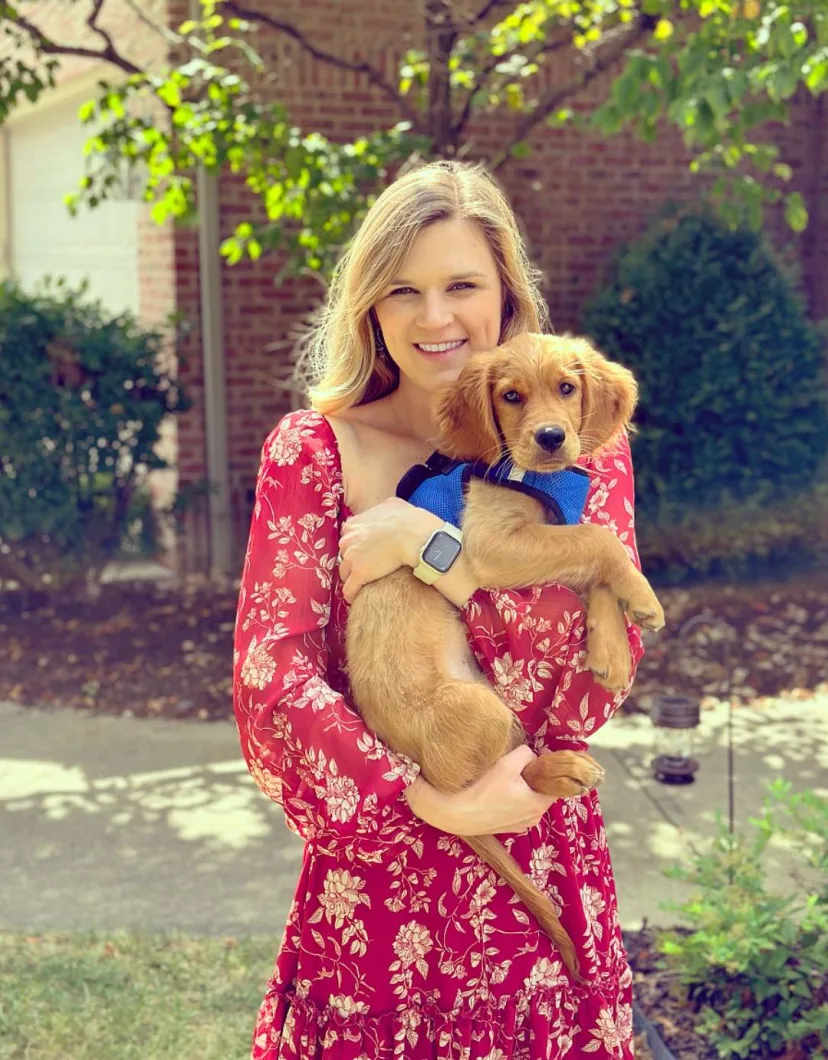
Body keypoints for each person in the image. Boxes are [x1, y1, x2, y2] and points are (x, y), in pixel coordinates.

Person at [233, 160, 645, 1060]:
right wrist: (423, 803)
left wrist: (432, 550)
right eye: (403, 291)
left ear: (505, 294)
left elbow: (596, 668)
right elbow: (273, 676)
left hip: (534, 844)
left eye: (462, 285)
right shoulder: (316, 452)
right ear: (370, 309)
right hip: (378, 891)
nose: (435, 318)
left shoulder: (575, 447)